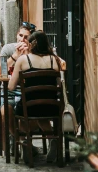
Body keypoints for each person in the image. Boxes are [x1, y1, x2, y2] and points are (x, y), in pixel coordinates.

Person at [8, 30, 66, 160]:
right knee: (42, 116)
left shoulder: (23, 60)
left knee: (23, 116)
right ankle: (53, 140)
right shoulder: (54, 60)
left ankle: (26, 145)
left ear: (31, 45)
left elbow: (11, 87)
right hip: (51, 106)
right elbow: (59, 83)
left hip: (29, 107)